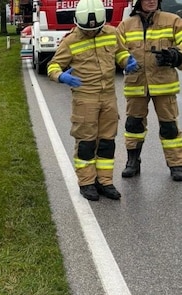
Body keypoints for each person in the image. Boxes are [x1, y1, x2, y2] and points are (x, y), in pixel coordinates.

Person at [47, 0, 136, 201]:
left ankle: (105, 181)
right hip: (85, 97)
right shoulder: (70, 41)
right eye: (87, 30)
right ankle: (87, 182)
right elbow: (53, 66)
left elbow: (120, 52)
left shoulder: (112, 33)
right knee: (86, 142)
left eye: (95, 29)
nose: (91, 32)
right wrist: (61, 76)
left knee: (107, 141)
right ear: (77, 22)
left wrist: (126, 62)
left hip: (108, 97)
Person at [116, 0, 182, 180]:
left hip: (164, 85)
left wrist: (176, 55)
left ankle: (176, 164)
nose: (151, 1)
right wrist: (124, 61)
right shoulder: (125, 26)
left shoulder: (173, 20)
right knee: (133, 126)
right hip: (136, 84)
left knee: (169, 127)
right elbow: (116, 50)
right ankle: (132, 162)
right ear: (138, 2)